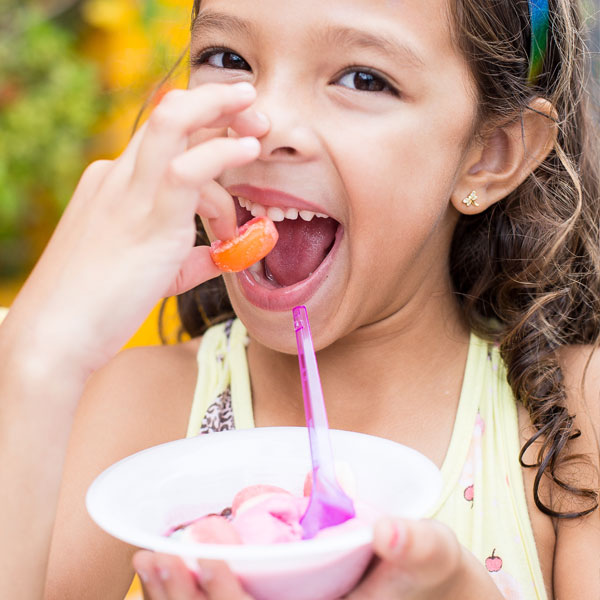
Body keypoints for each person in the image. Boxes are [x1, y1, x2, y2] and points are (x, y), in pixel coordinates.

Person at [1, 0, 599, 598]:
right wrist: (38, 356)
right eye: (228, 58)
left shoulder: (573, 421)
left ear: (492, 154)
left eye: (364, 78)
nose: (267, 122)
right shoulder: (136, 408)